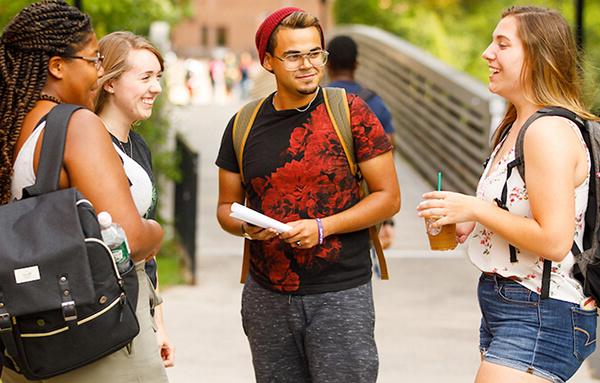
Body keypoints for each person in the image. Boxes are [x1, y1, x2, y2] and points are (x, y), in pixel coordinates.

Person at [216, 7, 400, 383]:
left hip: (341, 294)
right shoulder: (242, 124)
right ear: (268, 61)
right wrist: (248, 229)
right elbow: (225, 207)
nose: (308, 65)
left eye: (316, 53)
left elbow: (388, 197)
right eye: (294, 55)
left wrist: (322, 227)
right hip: (266, 296)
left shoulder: (351, 112)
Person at [417, 6, 597, 383]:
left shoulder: (547, 131)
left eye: (502, 44)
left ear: (538, 57)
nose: (487, 53)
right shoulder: (514, 126)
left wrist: (477, 208)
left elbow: (554, 240)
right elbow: (520, 213)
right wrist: (468, 221)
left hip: (542, 310)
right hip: (508, 304)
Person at [0, 1, 166, 382]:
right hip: (95, 337)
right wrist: (157, 232)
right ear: (57, 65)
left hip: (25, 341)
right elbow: (129, 238)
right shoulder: (76, 125)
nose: (99, 72)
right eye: (93, 60)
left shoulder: (10, 128)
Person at [94, 31, 175, 369]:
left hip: (139, 300)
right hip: (104, 309)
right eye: (145, 77)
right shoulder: (91, 145)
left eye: (157, 77)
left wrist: (158, 323)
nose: (156, 87)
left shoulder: (138, 145)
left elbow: (149, 256)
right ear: (110, 82)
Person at [327, 34, 396, 251]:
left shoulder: (316, 101)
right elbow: (389, 158)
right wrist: (387, 219)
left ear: (326, 64)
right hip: (365, 204)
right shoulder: (374, 102)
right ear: (357, 64)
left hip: (324, 205)